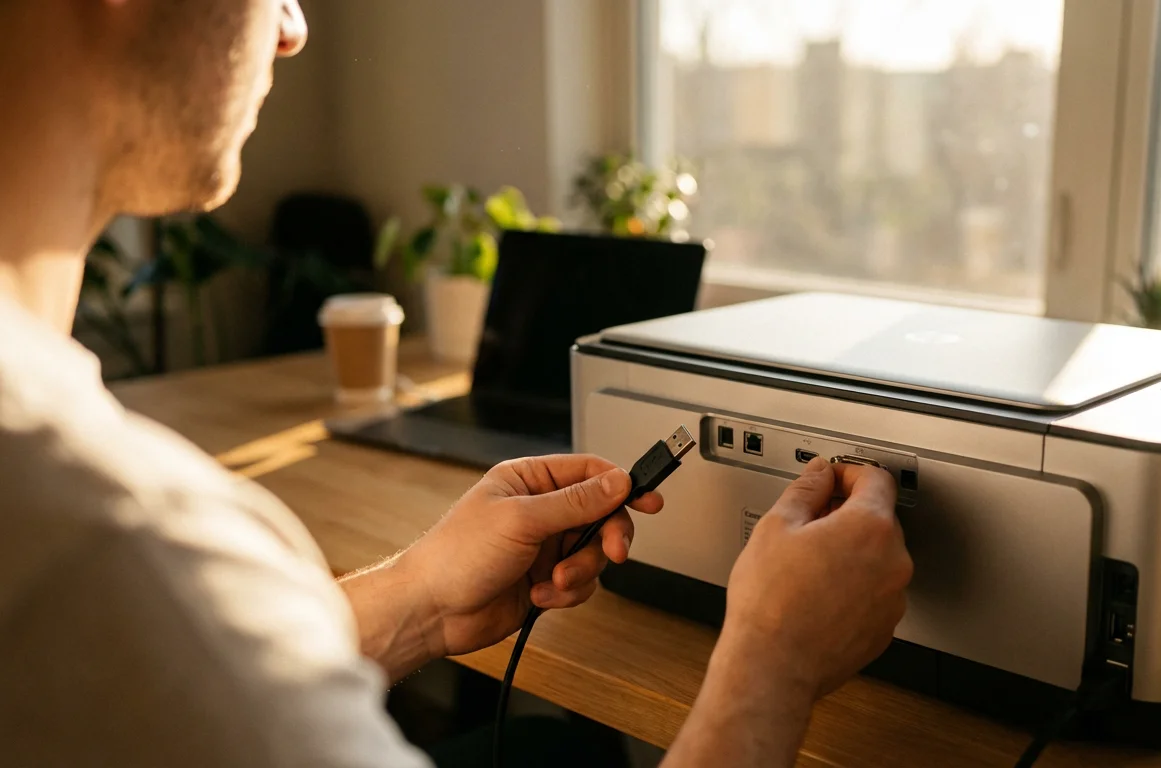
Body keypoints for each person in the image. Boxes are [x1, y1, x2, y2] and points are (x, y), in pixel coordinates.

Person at [0, 1, 915, 766]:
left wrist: (416, 602)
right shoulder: (104, 546)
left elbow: (180, 688)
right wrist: (773, 662)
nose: (293, 28)